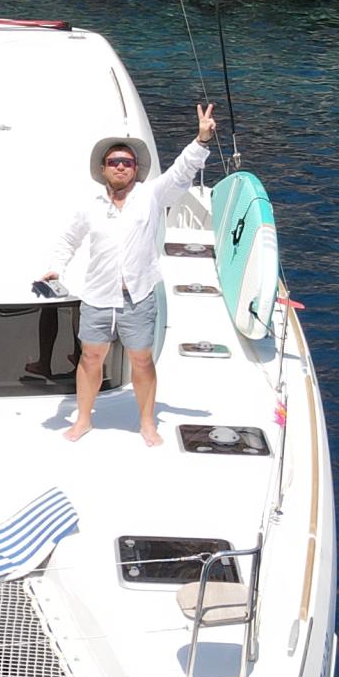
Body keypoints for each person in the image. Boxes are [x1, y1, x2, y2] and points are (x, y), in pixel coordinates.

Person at [43, 102, 215, 444]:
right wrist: (54, 269)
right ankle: (83, 420)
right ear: (103, 169)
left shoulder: (151, 195)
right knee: (91, 358)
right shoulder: (90, 206)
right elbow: (68, 240)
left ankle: (147, 423)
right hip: (98, 296)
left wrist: (201, 141)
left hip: (138, 295)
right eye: (114, 162)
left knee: (142, 360)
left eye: (127, 162)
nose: (120, 166)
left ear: (136, 169)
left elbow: (181, 172)